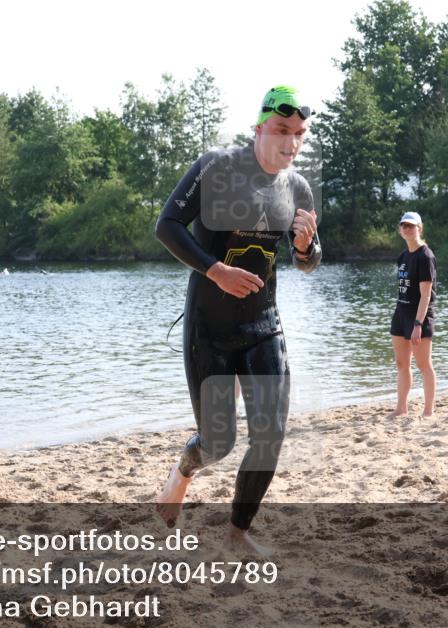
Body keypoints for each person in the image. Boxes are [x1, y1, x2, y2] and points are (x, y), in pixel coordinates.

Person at [153, 85, 322, 556]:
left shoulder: (298, 188)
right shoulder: (217, 167)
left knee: (270, 434)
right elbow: (167, 226)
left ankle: (237, 532)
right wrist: (215, 271)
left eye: (299, 134)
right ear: (259, 128)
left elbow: (308, 262)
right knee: (219, 442)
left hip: (264, 325)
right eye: (282, 130)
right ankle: (183, 471)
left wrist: (306, 247)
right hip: (209, 328)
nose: (291, 142)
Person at [389, 211, 436, 417]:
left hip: (419, 316)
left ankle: (428, 411)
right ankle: (401, 408)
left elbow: (426, 295)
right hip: (401, 313)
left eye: (411, 225)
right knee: (401, 363)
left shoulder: (425, 256)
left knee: (424, 365)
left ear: (419, 228)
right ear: (400, 230)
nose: (407, 229)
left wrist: (418, 324)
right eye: (404, 225)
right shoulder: (402, 256)